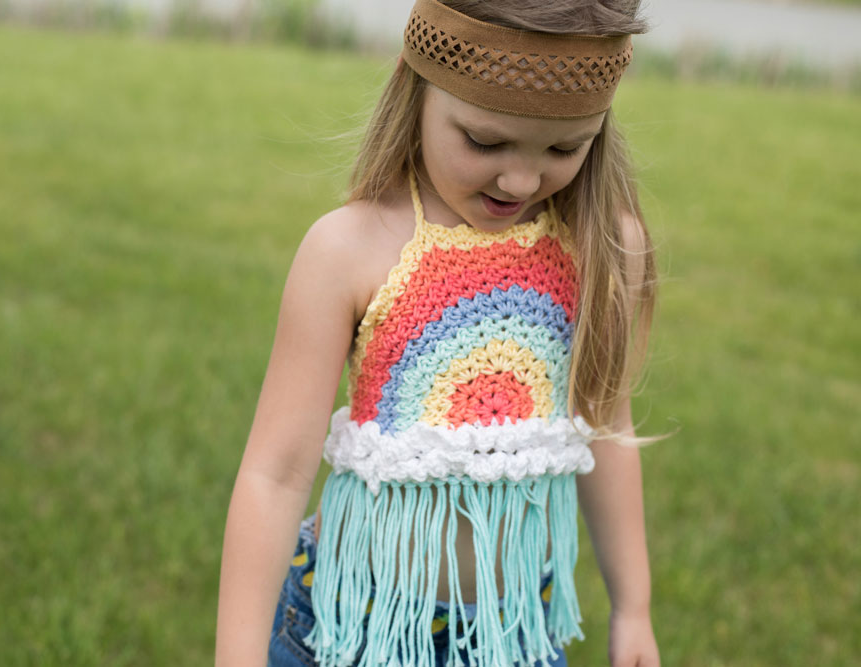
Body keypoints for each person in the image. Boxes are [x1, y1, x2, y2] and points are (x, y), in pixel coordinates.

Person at [217, 0, 660, 665]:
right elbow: (274, 475)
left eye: (564, 147)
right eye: (485, 141)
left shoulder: (600, 248)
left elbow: (606, 427)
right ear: (415, 83)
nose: (520, 178)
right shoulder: (350, 250)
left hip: (514, 637)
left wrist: (634, 606)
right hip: (352, 629)